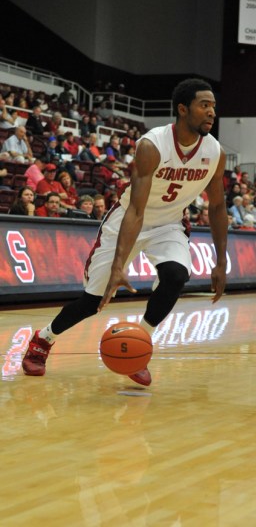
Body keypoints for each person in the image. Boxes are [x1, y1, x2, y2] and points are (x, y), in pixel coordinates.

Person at [22, 78, 228, 388]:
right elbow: (135, 210)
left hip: (169, 223)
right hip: (129, 219)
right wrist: (120, 263)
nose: (211, 112)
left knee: (175, 277)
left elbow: (217, 208)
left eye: (213, 106)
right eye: (204, 105)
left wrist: (221, 261)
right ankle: (43, 339)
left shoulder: (215, 151)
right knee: (93, 301)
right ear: (182, 109)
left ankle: (137, 346)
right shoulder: (153, 144)